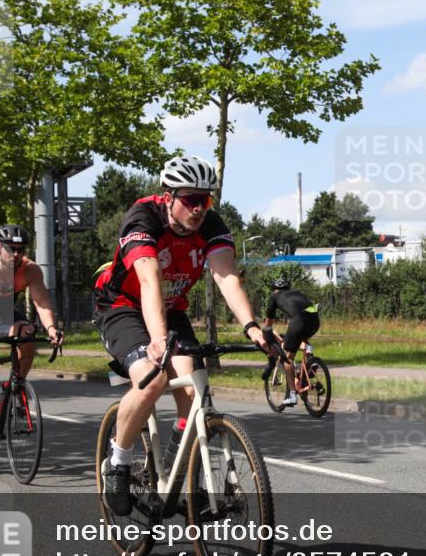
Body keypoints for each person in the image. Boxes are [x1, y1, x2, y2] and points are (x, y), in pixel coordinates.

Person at [93, 155, 270, 516]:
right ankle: (118, 462)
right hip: (122, 305)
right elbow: (148, 279)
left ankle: (172, 474)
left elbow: (226, 277)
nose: (199, 208)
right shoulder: (143, 218)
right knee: (152, 379)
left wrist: (252, 326)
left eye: (205, 200)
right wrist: (158, 340)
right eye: (190, 199)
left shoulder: (212, 225)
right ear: (168, 195)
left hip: (171, 308)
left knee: (193, 389)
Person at [0, 224, 63, 461]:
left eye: (20, 249)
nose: (16, 254)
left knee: (27, 332)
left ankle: (16, 386)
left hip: (7, 312)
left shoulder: (31, 270)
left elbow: (42, 303)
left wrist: (52, 329)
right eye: (10, 248)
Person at [262, 277, 321, 407]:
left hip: (299, 321)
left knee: (287, 358)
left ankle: (292, 395)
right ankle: (309, 355)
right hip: (315, 320)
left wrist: (265, 333)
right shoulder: (297, 293)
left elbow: (268, 324)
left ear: (274, 289)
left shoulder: (274, 296)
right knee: (302, 336)